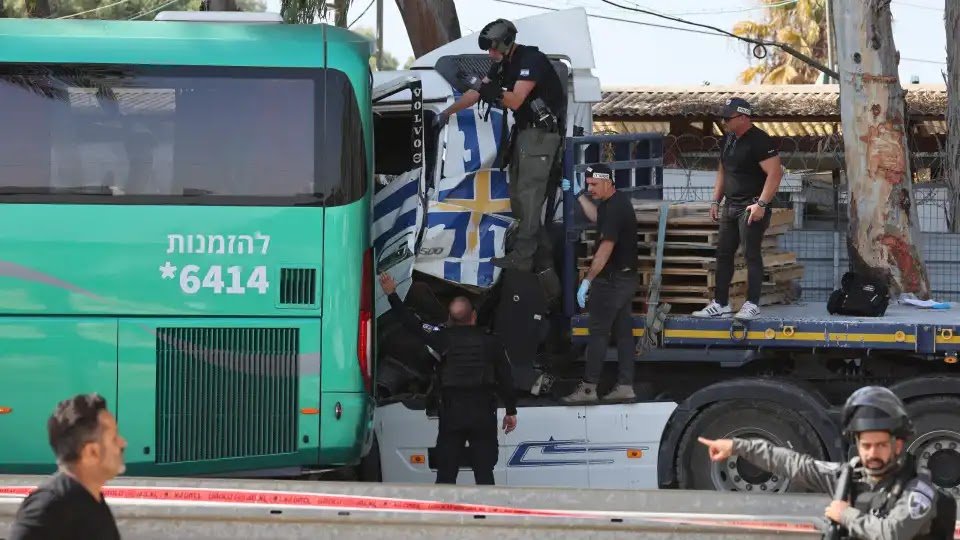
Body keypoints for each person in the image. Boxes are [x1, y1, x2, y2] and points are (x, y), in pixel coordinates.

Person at [699, 386, 956, 539]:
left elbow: (891, 534)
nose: (872, 453)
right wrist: (737, 447)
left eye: (881, 445)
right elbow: (795, 464)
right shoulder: (851, 477)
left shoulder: (918, 491)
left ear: (897, 445)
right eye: (866, 445)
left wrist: (844, 514)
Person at [434, 18, 566, 273]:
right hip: (525, 133)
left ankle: (523, 257)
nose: (490, 53)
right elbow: (476, 93)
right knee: (517, 197)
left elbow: (515, 100)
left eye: (493, 48)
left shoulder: (531, 60)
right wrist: (446, 113)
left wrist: (489, 90)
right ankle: (542, 254)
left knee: (529, 198)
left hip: (540, 136)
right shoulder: (502, 63)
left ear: (507, 43)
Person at [378, 272, 518, 485]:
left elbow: (411, 324)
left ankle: (444, 512)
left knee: (446, 473)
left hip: (452, 412)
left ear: (451, 320)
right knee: (484, 473)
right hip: (482, 413)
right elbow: (506, 377)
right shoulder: (492, 343)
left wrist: (392, 294)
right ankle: (484, 515)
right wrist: (510, 411)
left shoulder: (443, 339)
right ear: (474, 316)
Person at [693, 97, 782, 321]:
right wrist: (716, 201)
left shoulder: (759, 140)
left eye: (728, 118)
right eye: (723, 118)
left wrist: (761, 204)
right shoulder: (728, 140)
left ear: (743, 117)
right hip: (730, 206)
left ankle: (752, 304)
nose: (724, 122)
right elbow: (723, 172)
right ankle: (720, 303)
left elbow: (775, 173)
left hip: (751, 206)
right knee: (723, 254)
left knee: (751, 253)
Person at [558, 164, 638, 404]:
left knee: (598, 333)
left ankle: (589, 388)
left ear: (607, 182)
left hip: (612, 282)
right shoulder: (613, 203)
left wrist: (587, 280)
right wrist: (579, 195)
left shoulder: (615, 209)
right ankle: (625, 385)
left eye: (593, 185)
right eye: (588, 184)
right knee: (623, 333)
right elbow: (596, 217)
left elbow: (605, 250)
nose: (590, 188)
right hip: (625, 278)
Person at [9, 393, 126, 540]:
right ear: (91, 452)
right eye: (114, 438)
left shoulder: (92, 499)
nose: (123, 443)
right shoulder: (49, 507)